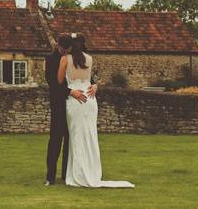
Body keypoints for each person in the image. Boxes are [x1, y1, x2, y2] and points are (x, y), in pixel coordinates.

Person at [58, 34, 134, 188]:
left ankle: (78, 175)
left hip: (76, 99)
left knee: (77, 137)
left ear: (71, 45)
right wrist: (95, 86)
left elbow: (59, 81)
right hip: (90, 99)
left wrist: (71, 88)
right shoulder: (90, 59)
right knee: (90, 137)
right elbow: (89, 80)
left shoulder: (65, 59)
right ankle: (90, 172)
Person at [44, 33, 95, 186]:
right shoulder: (50, 59)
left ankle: (67, 175)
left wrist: (94, 84)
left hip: (74, 105)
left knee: (70, 140)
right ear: (57, 45)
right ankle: (50, 176)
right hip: (59, 105)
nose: (66, 52)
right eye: (63, 49)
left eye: (68, 49)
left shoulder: (73, 57)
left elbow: (86, 76)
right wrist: (70, 92)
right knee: (55, 140)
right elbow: (53, 84)